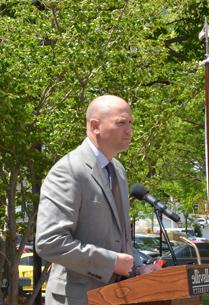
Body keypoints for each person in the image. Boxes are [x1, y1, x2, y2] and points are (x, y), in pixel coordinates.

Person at [35, 95, 161, 305]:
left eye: (130, 123)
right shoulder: (68, 171)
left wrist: (139, 267)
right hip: (77, 299)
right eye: (121, 123)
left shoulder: (118, 171)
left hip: (117, 296)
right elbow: (50, 242)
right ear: (95, 126)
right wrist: (111, 262)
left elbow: (121, 240)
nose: (129, 130)